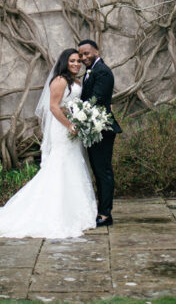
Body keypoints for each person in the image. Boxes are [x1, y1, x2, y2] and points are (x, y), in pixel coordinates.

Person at [0, 49, 97, 239]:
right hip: (62, 129)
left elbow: (71, 105)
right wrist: (69, 124)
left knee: (74, 163)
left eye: (78, 61)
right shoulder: (60, 81)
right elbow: (53, 107)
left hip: (73, 128)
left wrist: (79, 117)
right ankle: (56, 211)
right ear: (65, 62)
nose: (77, 64)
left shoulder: (77, 81)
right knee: (60, 165)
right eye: (72, 61)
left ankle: (77, 210)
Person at [77, 39, 123, 227]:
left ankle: (105, 214)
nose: (83, 57)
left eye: (86, 53)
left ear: (96, 51)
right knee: (98, 170)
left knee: (103, 171)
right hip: (94, 129)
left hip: (103, 130)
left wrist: (75, 110)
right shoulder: (91, 72)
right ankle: (101, 210)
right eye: (81, 55)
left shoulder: (102, 71)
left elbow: (96, 99)